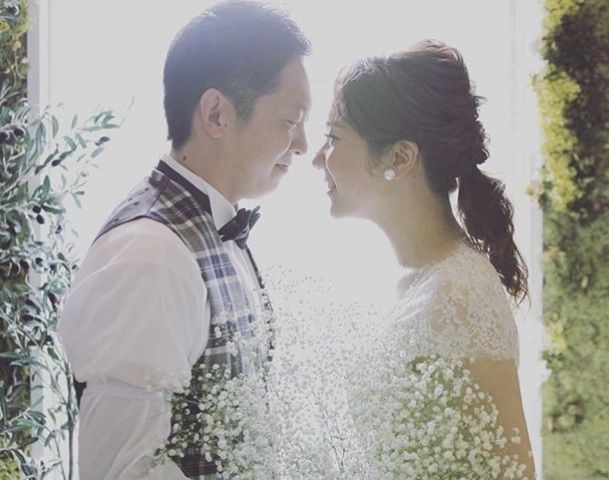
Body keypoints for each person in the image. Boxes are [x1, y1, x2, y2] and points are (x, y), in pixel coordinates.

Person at [57, 2, 311, 478]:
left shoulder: (210, 224)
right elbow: (123, 470)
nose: (302, 145)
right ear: (216, 114)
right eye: (291, 121)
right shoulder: (150, 255)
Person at [313, 40, 536, 478]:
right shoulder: (411, 281)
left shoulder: (461, 296)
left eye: (333, 138)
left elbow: (515, 473)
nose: (318, 159)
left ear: (400, 157)